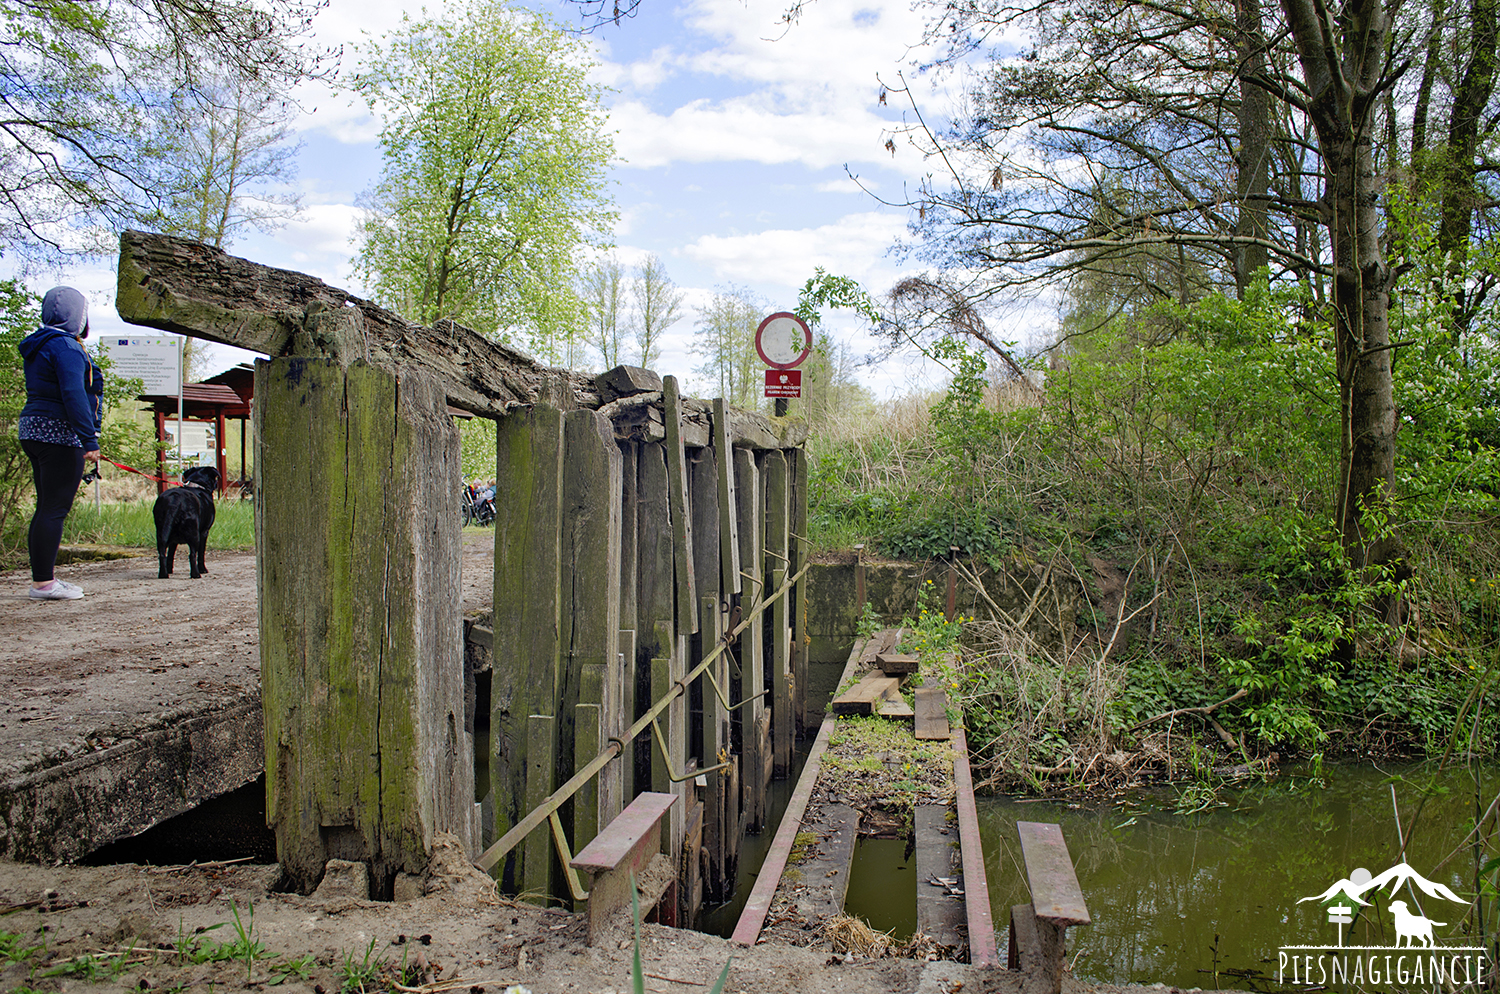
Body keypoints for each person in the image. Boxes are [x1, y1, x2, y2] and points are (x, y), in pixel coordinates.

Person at [17, 287, 100, 600]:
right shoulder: (66, 347)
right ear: (78, 316)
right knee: (54, 509)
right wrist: (89, 438)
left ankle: (44, 580)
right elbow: (73, 394)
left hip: (32, 428)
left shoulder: (39, 344)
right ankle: (44, 584)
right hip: (58, 434)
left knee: (46, 507)